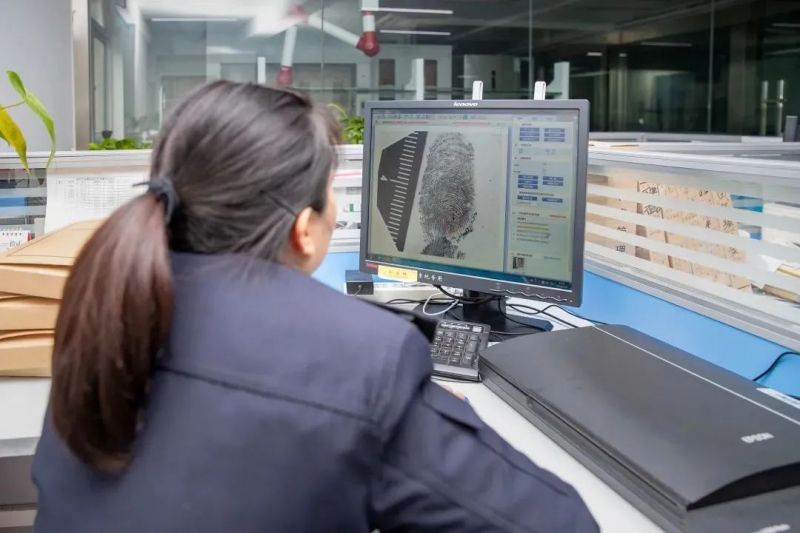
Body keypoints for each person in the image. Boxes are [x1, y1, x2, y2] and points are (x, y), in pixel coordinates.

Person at [33, 81, 598, 532]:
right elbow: (560, 523)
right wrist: (422, 414)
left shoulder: (106, 308)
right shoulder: (362, 358)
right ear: (305, 229)